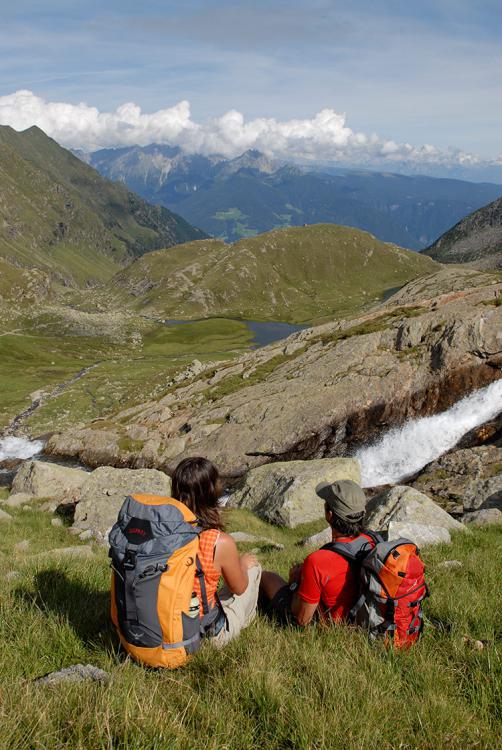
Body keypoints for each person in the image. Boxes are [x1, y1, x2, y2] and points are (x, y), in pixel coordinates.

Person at [171, 457, 262, 647]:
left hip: (166, 625)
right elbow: (239, 588)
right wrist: (243, 564)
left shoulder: (162, 532)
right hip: (205, 634)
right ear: (212, 492)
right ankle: (243, 623)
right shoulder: (218, 541)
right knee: (253, 568)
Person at [260, 479, 374, 626]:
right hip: (366, 617)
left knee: (265, 577)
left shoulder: (318, 561)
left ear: (330, 515)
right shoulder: (372, 541)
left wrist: (295, 584)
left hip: (333, 624)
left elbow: (302, 619)